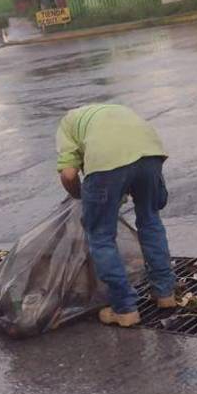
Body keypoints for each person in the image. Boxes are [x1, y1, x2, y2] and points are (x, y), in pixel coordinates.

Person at [56, 104, 177, 328]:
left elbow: (69, 174)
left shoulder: (67, 124)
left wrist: (81, 196)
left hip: (107, 162)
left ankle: (124, 309)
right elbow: (130, 163)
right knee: (150, 220)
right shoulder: (115, 111)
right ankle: (165, 293)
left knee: (101, 236)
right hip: (151, 153)